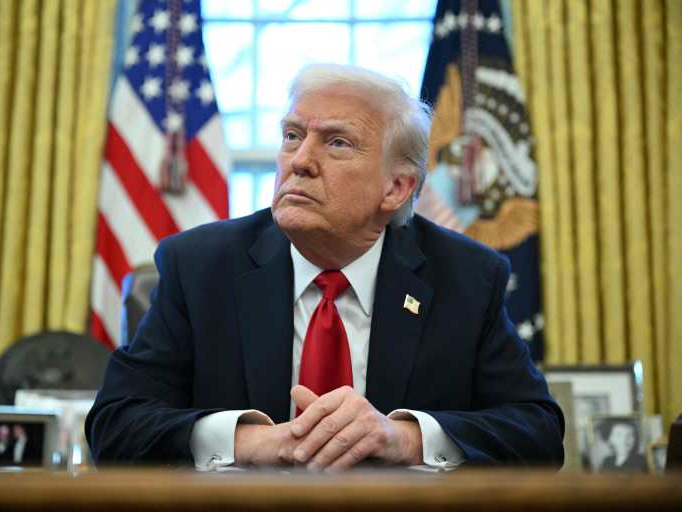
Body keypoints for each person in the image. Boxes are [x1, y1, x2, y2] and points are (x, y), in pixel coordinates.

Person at [86, 63, 564, 471]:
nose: (300, 161)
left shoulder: (465, 277)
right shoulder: (199, 267)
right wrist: (252, 442)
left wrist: (402, 438)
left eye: (336, 143)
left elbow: (538, 432)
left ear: (396, 188)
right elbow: (115, 425)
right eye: (292, 136)